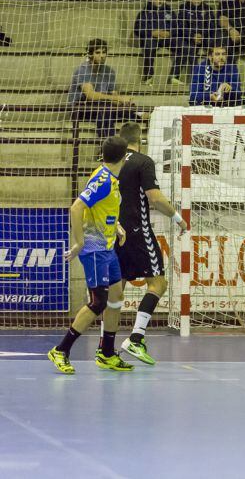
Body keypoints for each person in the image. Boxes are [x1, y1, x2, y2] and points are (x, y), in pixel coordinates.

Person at [47, 137, 134, 374]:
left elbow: (102, 207)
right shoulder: (104, 180)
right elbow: (76, 207)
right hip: (94, 250)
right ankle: (61, 350)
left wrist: (115, 225)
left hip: (107, 247)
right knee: (98, 303)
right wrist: (79, 242)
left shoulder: (108, 176)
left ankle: (106, 353)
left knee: (116, 297)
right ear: (125, 157)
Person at [105, 122, 188, 365]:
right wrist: (178, 218)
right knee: (158, 283)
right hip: (137, 231)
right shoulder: (143, 161)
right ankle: (136, 338)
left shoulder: (110, 163)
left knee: (114, 292)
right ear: (139, 139)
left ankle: (105, 348)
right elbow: (154, 197)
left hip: (112, 231)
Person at [68, 39, 145, 139]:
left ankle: (140, 114)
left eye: (104, 52)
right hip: (81, 107)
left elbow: (114, 96)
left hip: (103, 106)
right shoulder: (82, 70)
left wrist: (124, 102)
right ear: (90, 54)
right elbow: (90, 96)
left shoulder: (109, 71)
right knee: (105, 109)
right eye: (98, 52)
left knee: (123, 111)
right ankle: (109, 148)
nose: (102, 55)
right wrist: (118, 99)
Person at [171, 0, 220, 84]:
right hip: (189, 37)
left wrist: (201, 35)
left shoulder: (207, 9)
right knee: (188, 48)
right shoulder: (183, 8)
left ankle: (215, 76)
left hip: (204, 37)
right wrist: (193, 36)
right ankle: (183, 77)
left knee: (214, 46)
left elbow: (212, 26)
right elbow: (181, 26)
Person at [133, 0, 175, 86]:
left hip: (167, 39)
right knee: (149, 44)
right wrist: (152, 33)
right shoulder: (144, 12)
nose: (159, 0)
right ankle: (148, 76)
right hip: (152, 38)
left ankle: (174, 77)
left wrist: (170, 33)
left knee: (184, 46)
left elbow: (177, 27)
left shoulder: (170, 12)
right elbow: (137, 29)